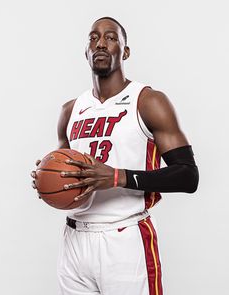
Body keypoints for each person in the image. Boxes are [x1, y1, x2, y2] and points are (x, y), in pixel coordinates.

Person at [32, 16, 199, 295]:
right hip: (74, 238)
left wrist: (117, 177)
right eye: (93, 37)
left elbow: (188, 175)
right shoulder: (70, 110)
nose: (101, 43)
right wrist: (46, 178)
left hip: (125, 238)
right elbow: (64, 170)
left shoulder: (147, 101)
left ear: (125, 51)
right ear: (85, 52)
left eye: (111, 38)